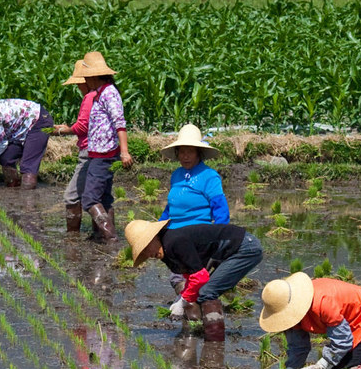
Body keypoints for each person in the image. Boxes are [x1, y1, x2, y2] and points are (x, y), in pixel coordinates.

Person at [125, 219, 263, 341]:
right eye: (144, 253)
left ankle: (214, 342)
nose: (149, 255)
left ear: (154, 237)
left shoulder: (174, 242)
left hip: (245, 248)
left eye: (147, 248)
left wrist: (183, 301)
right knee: (204, 291)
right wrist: (182, 297)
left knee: (207, 292)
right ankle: (210, 333)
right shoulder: (166, 250)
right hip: (230, 251)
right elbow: (190, 274)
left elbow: (200, 277)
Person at [259, 272, 361, 369]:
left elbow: (343, 341)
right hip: (349, 328)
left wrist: (319, 365)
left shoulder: (322, 302)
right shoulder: (292, 316)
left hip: (358, 323)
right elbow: (299, 347)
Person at [159, 124, 230, 315]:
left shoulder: (209, 176)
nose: (185, 156)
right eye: (181, 151)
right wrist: (157, 229)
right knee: (179, 279)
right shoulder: (177, 175)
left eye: (189, 151)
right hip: (175, 237)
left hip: (197, 238)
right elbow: (171, 207)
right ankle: (190, 307)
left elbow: (221, 210)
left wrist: (219, 240)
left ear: (198, 152)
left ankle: (194, 317)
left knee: (194, 279)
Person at [79, 51, 132, 242]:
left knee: (90, 199)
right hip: (100, 153)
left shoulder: (109, 93)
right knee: (104, 198)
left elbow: (120, 122)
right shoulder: (100, 94)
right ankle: (100, 235)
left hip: (104, 154)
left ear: (94, 76)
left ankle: (109, 237)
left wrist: (124, 152)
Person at [52, 60, 96, 235]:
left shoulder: (90, 97)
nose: (78, 87)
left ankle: (73, 236)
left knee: (71, 196)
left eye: (79, 84)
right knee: (99, 196)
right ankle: (100, 236)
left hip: (89, 151)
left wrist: (64, 130)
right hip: (101, 151)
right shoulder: (104, 94)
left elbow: (82, 127)